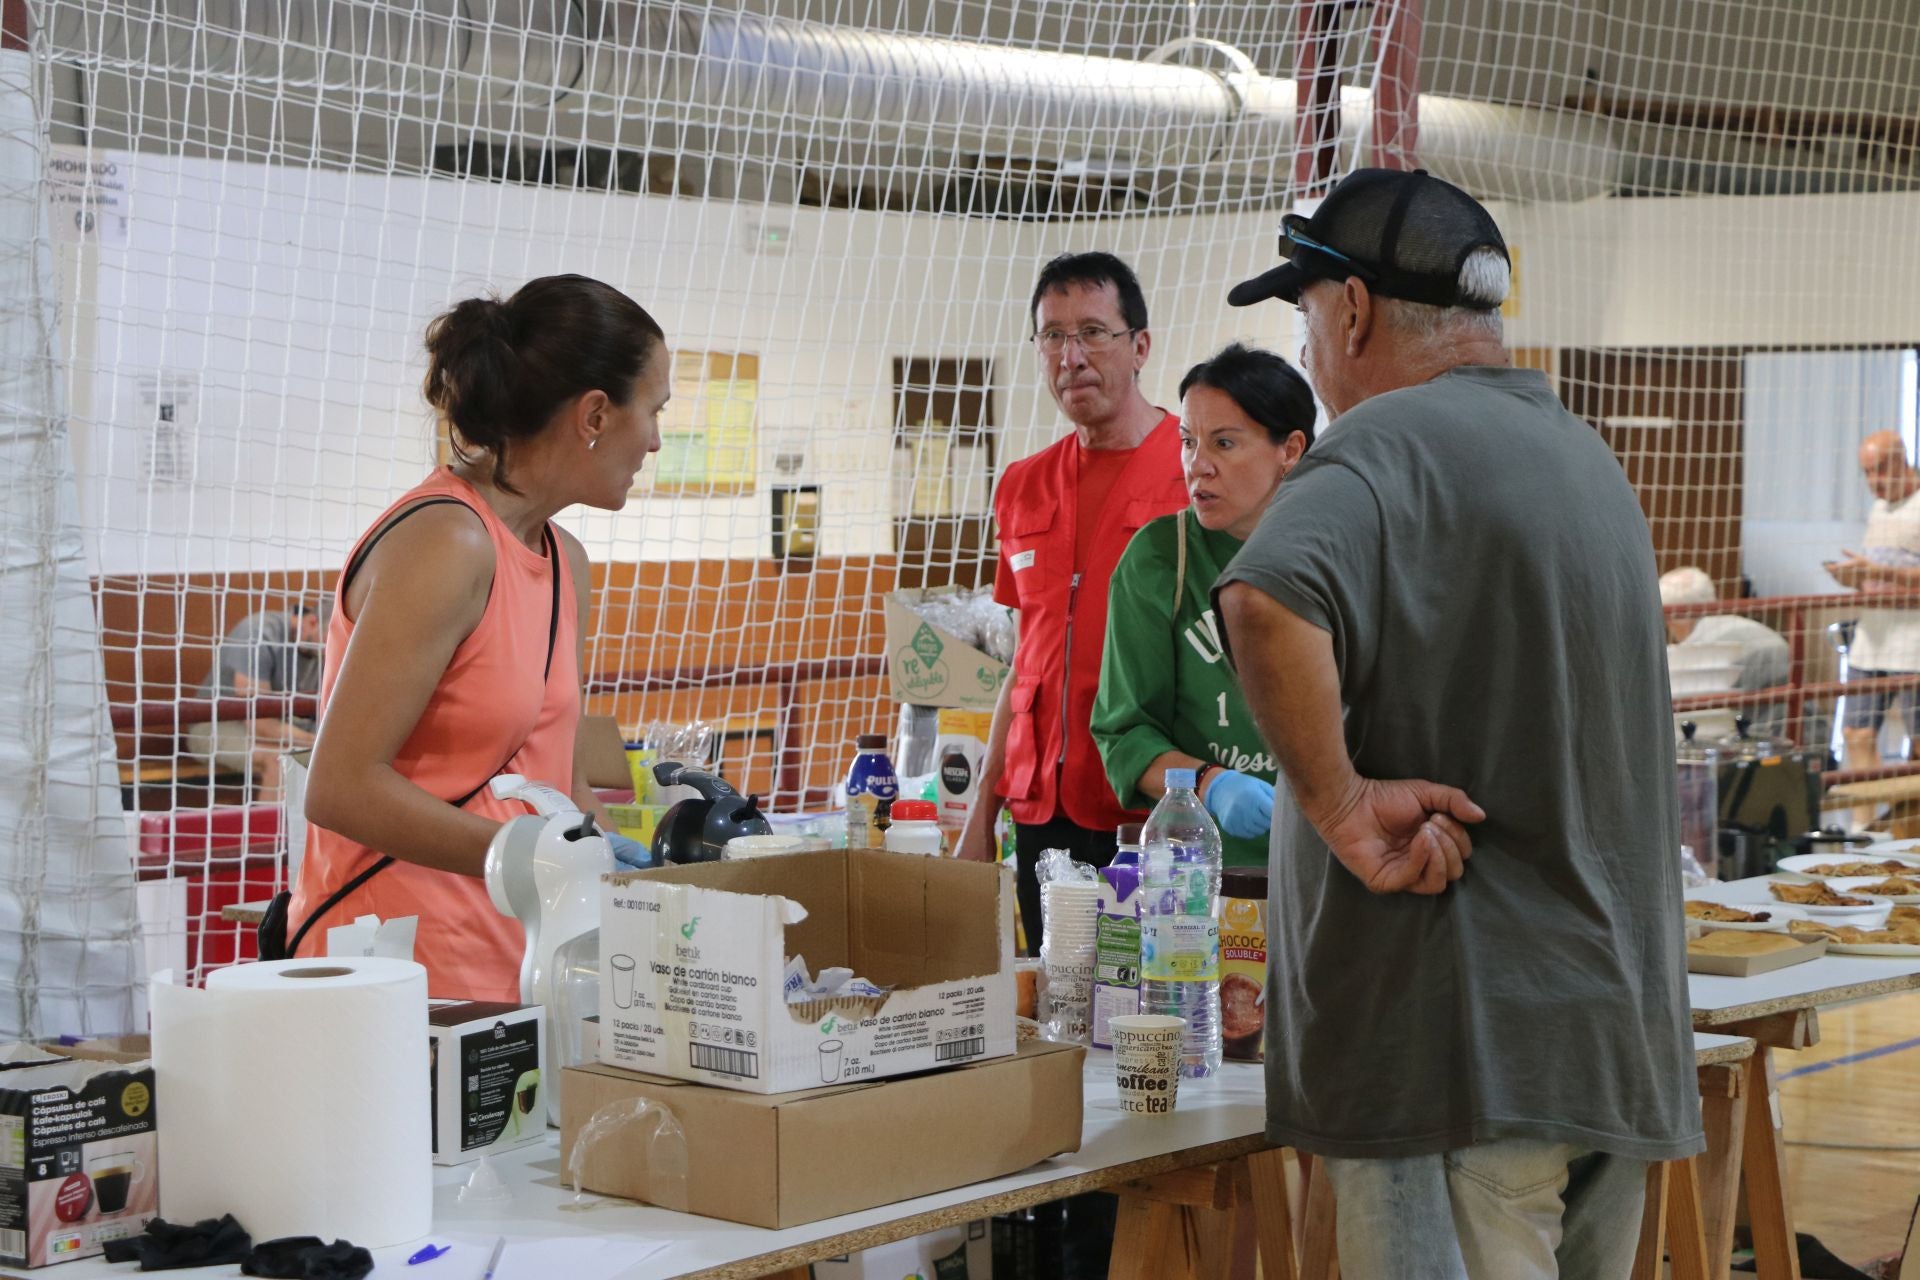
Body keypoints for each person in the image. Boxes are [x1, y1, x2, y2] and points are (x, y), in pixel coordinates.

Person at [1214, 169, 1701, 1275]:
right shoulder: (1587, 460)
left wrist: (1337, 802)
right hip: (1613, 1046)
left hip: (1461, 1059)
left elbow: (1263, 594)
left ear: (1352, 309)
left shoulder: (1376, 449)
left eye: (1304, 317)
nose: (1309, 350)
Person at [294, 274, 664, 1000]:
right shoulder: (447, 542)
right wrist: (528, 853)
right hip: (399, 975)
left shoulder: (567, 561)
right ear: (594, 413)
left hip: (523, 962)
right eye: (653, 411)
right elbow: (338, 788)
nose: (654, 440)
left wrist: (623, 875)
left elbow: (556, 774)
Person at [954, 252, 1189, 954]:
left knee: (1147, 1017)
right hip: (1039, 812)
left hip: (1146, 808)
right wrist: (981, 813)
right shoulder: (1023, 486)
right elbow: (1025, 665)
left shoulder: (1193, 472)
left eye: (1093, 332)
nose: (1072, 355)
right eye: (1053, 336)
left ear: (1140, 346)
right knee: (1056, 1009)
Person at [1091, 343, 1314, 866]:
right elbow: (1124, 732)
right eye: (1188, 442)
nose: (1198, 466)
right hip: (1198, 874)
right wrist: (1209, 784)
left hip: (1326, 864)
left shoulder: (1341, 550)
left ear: (1291, 448)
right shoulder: (1159, 558)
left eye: (1225, 443)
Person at [1827, 430, 1920, 766]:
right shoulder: (1879, 508)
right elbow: (1879, 571)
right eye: (1866, 472)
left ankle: (1906, 820)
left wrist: (1878, 572)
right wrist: (1854, 578)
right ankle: (1863, 821)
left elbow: (1888, 571)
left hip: (1913, 644)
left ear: (1903, 462)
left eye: (1879, 469)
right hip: (1871, 640)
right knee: (1856, 733)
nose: (1873, 481)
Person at [187, 601, 325, 800]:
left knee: (331, 759)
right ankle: (270, 832)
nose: (331, 647)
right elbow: (260, 725)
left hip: (282, 726)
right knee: (282, 762)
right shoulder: (259, 631)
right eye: (331, 638)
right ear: (312, 622)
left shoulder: (324, 647)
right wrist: (317, 743)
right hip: (215, 726)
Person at [1658, 566, 1791, 727]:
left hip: (1749, 733)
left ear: (1670, 616)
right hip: (1800, 727)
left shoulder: (1697, 651)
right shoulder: (1750, 626)